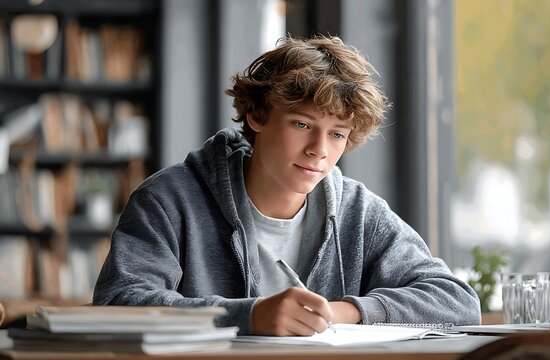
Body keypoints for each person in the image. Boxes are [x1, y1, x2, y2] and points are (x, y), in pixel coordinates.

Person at [93, 35, 481, 336]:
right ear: (257, 116)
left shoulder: (358, 211)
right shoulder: (168, 200)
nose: (319, 151)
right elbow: (119, 303)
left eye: (337, 135)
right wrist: (249, 316)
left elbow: (457, 302)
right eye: (302, 125)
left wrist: (341, 313)